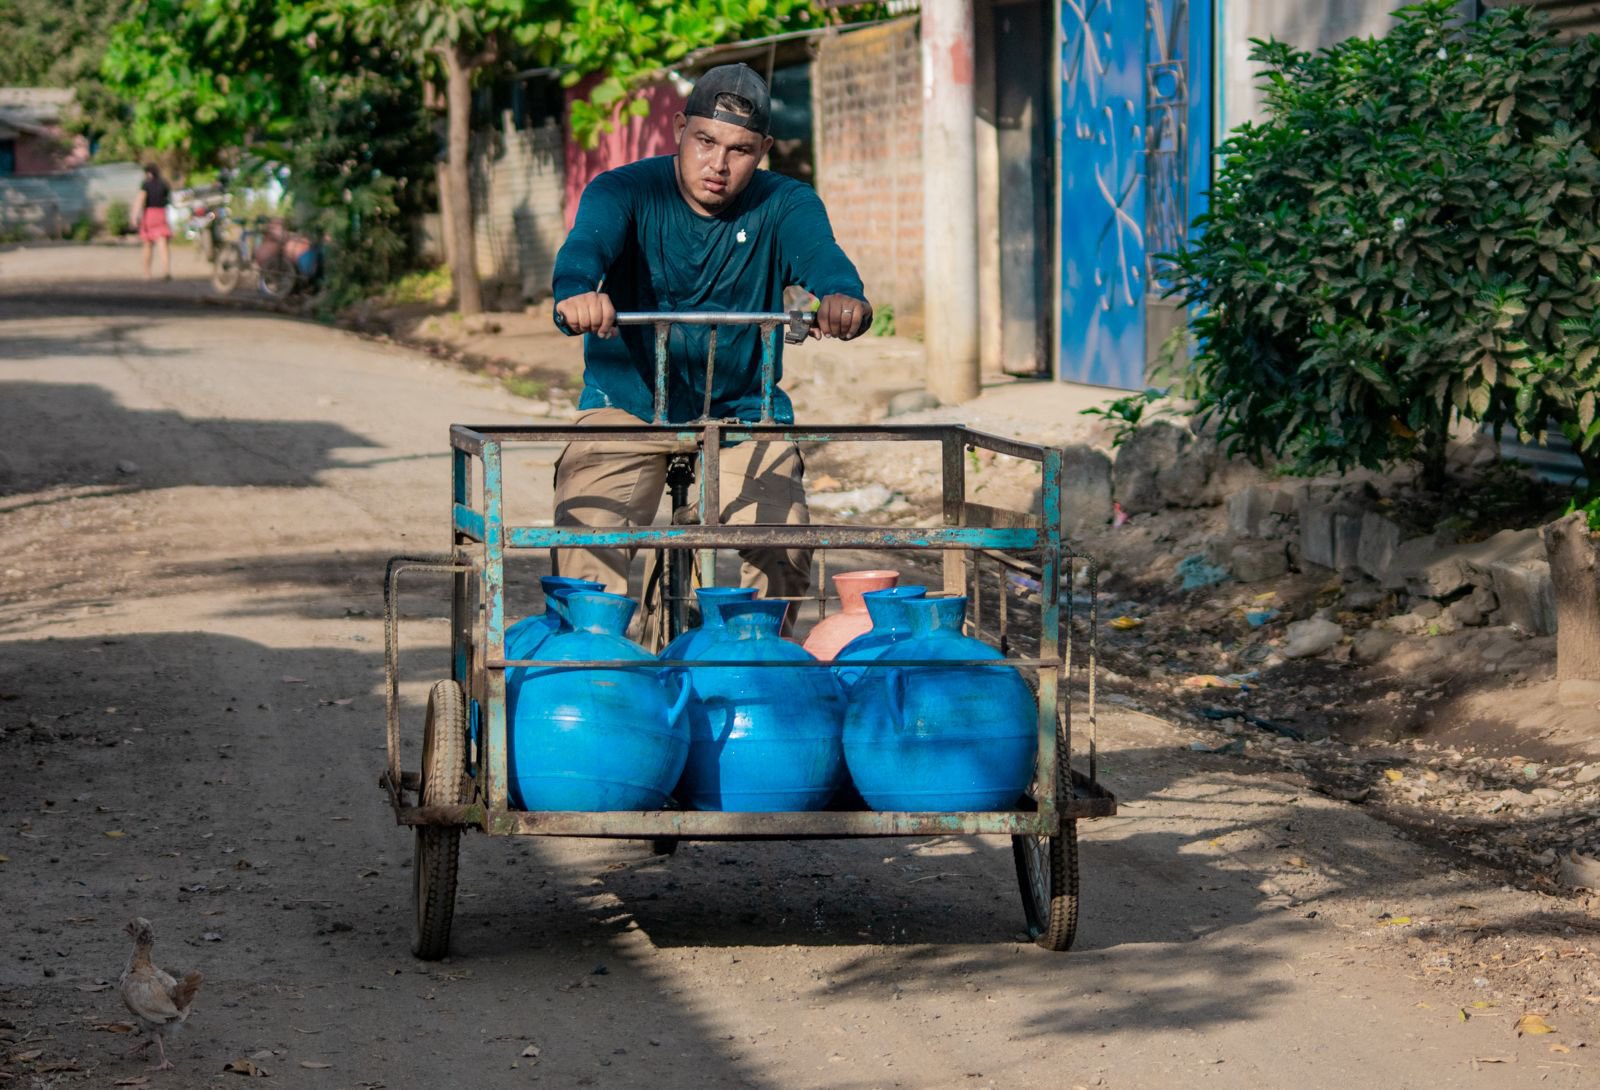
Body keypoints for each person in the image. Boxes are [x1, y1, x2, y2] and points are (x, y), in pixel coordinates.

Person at [550, 63, 872, 641]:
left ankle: (756, 665)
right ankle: (593, 673)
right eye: (705, 141)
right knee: (588, 533)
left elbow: (824, 258)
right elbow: (586, 246)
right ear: (679, 128)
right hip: (629, 406)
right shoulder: (625, 190)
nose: (718, 165)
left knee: (785, 537)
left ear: (765, 149)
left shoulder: (785, 203)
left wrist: (842, 296)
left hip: (743, 413)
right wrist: (578, 292)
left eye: (741, 150)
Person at [132, 164, 172, 281]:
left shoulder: (146, 184)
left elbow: (140, 199)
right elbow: (168, 199)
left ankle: (147, 273)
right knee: (163, 243)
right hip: (162, 214)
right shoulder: (164, 183)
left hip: (149, 214)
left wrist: (134, 216)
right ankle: (166, 270)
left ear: (148, 173)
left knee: (148, 244)